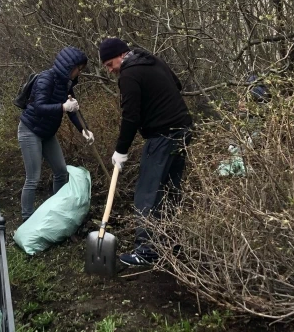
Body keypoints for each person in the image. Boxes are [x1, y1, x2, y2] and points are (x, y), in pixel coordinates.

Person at [99, 38, 193, 266]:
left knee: (148, 191)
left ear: (121, 55)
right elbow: (177, 85)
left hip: (162, 135)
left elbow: (131, 117)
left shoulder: (129, 75)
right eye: (107, 67)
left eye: (110, 64)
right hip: (183, 129)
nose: (111, 70)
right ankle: (171, 241)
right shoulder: (152, 61)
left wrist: (121, 150)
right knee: (170, 188)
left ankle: (147, 250)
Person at [18, 46, 93, 221]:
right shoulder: (46, 78)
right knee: (33, 178)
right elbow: (39, 107)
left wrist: (85, 129)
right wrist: (62, 107)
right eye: (78, 69)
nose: (78, 73)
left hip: (47, 133)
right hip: (30, 131)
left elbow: (72, 109)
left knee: (61, 171)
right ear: (69, 66)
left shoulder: (66, 83)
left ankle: (56, 210)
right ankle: (26, 218)